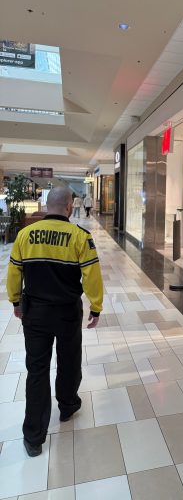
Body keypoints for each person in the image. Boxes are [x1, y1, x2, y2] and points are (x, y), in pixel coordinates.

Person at [6, 187, 103, 457]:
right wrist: (96, 306)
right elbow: (92, 276)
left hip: (35, 313)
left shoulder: (25, 235)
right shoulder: (80, 236)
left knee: (37, 370)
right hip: (67, 312)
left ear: (47, 205)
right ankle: (67, 406)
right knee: (69, 360)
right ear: (69, 206)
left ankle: (33, 437)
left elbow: (14, 272)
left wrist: (15, 302)